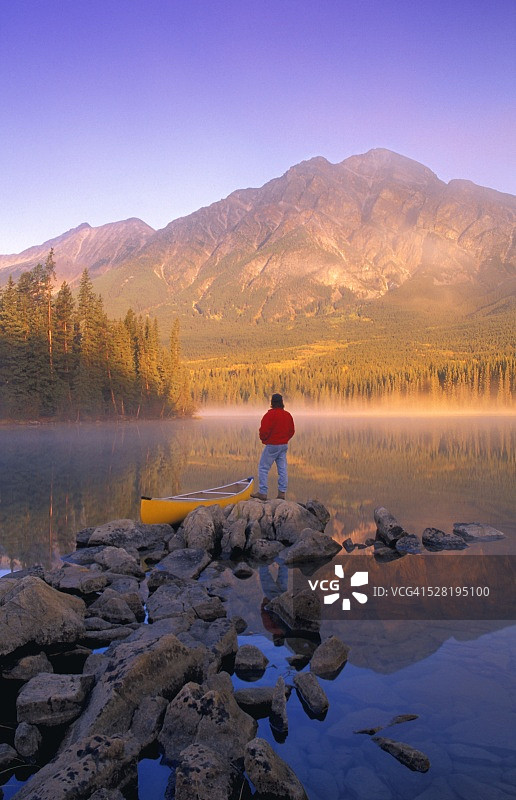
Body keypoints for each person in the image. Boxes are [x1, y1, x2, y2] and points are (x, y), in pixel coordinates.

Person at [251, 393, 295, 500]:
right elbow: (291, 431)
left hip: (272, 446)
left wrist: (265, 440)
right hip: (283, 446)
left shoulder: (269, 415)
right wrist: (284, 440)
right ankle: (281, 494)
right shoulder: (287, 415)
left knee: (263, 468)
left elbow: (263, 431)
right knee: (282, 469)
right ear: (281, 403)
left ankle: (263, 493)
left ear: (272, 403)